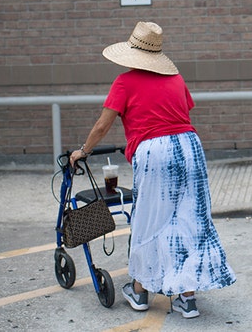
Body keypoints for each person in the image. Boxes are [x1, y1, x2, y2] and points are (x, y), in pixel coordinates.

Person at [69, 21, 235, 318]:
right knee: (188, 220)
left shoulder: (125, 81)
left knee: (149, 220)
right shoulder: (176, 79)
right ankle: (187, 297)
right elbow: (181, 114)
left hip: (155, 151)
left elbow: (103, 124)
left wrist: (84, 151)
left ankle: (140, 290)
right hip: (189, 147)